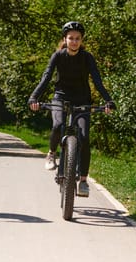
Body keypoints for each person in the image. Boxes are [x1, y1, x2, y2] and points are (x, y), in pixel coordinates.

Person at [28, 21, 115, 197]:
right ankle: (52, 153)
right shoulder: (58, 56)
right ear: (65, 39)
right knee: (57, 125)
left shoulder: (87, 57)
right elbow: (46, 78)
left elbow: (97, 82)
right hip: (61, 97)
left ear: (81, 40)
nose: (74, 41)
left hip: (82, 99)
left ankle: (83, 181)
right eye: (71, 38)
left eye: (77, 38)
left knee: (84, 137)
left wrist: (108, 101)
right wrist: (33, 97)